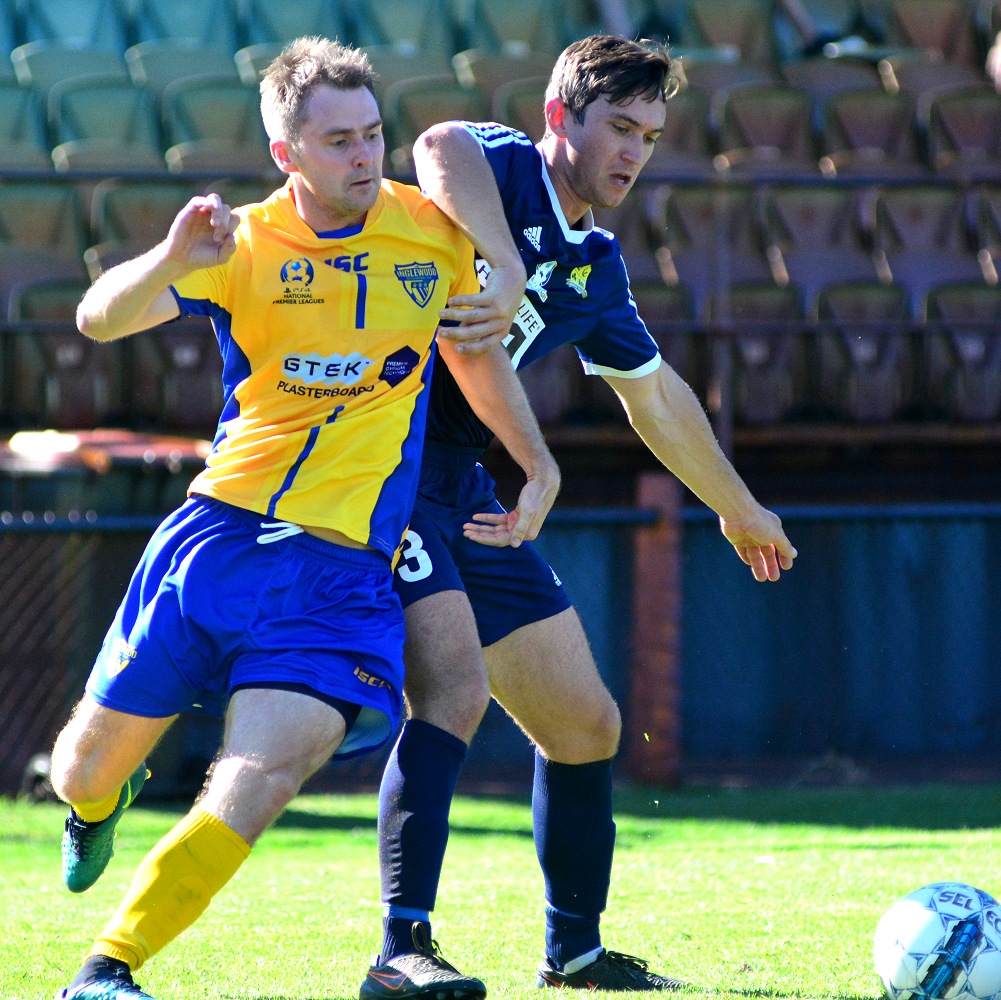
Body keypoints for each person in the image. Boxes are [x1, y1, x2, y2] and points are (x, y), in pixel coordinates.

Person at [51, 36, 558, 1000]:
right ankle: (95, 804)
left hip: (341, 574)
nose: (363, 157)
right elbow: (97, 321)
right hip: (217, 544)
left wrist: (533, 462)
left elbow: (473, 349)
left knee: (263, 772)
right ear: (287, 153)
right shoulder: (234, 241)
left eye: (372, 135)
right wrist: (167, 254)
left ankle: (107, 970)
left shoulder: (428, 232)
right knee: (81, 768)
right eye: (337, 142)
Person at [361, 34, 798, 999]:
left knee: (585, 723)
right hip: (376, 469)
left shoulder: (597, 265)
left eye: (648, 134)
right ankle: (400, 950)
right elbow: (435, 142)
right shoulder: (502, 167)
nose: (634, 153)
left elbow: (656, 400)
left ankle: (577, 953)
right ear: (560, 118)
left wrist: (739, 508)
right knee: (454, 698)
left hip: (468, 488)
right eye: (618, 127)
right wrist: (504, 260)